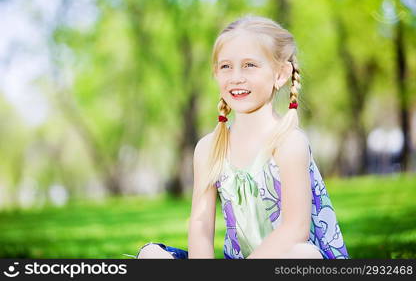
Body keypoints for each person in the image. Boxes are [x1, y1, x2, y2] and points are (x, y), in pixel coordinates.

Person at [135, 15, 349, 259]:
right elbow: (201, 226)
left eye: (249, 65)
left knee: (303, 254)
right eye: (226, 66)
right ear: (216, 74)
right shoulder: (208, 148)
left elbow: (295, 230)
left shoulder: (289, 142)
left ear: (280, 74)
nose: (236, 77)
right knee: (151, 255)